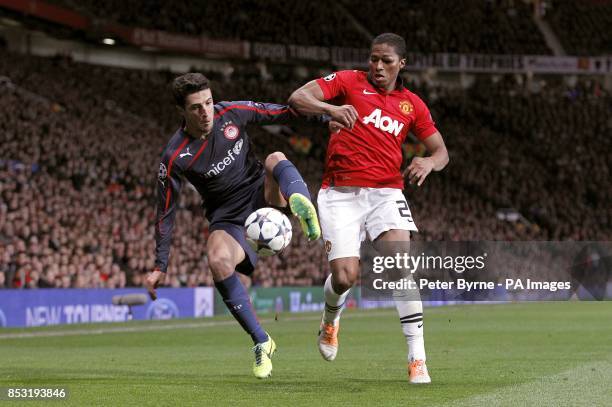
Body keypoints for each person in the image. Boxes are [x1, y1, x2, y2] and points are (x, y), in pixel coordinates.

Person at [288, 33, 449, 384]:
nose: (377, 66)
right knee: (345, 277)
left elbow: (441, 151)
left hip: (386, 193)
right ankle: (330, 319)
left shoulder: (413, 105)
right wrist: (330, 108)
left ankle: (417, 359)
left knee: (399, 266)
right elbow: (298, 97)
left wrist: (428, 162)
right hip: (340, 193)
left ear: (401, 64)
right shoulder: (348, 81)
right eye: (373, 58)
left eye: (386, 61)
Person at [145, 72, 324, 379]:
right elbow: (165, 212)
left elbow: (282, 111)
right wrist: (160, 264)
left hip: (262, 194)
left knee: (275, 157)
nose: (206, 112)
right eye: (196, 107)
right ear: (182, 112)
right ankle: (262, 341)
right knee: (216, 259)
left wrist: (327, 120)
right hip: (227, 217)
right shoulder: (175, 157)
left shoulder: (231, 113)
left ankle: (303, 205)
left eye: (208, 102)